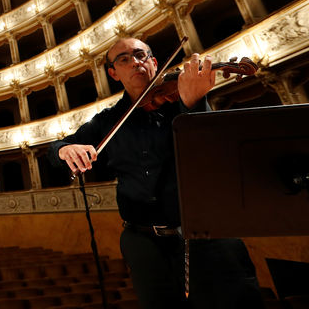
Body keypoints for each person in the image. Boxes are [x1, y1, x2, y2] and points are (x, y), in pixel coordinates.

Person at [47, 38, 263, 309]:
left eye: (140, 55)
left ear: (154, 62)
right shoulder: (108, 121)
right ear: (113, 73)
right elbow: (55, 149)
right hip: (143, 242)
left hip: (207, 235)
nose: (134, 62)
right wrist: (64, 151)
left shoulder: (182, 101)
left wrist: (194, 104)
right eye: (124, 59)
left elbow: (215, 155)